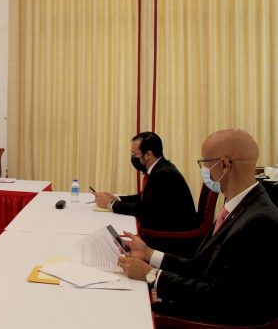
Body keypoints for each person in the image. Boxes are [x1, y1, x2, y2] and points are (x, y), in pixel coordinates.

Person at [117, 129, 278, 326]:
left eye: (205, 163)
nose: (204, 170)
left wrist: (151, 275)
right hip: (207, 304)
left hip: (219, 318)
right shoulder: (240, 205)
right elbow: (200, 266)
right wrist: (149, 254)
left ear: (225, 165)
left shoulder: (259, 221)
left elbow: (219, 296)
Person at [94, 132, 198, 232]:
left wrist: (110, 204)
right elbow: (144, 197)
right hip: (166, 223)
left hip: (172, 232)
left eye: (135, 154)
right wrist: (117, 199)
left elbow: (145, 209)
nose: (133, 158)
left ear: (148, 154)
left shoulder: (163, 174)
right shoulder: (161, 167)